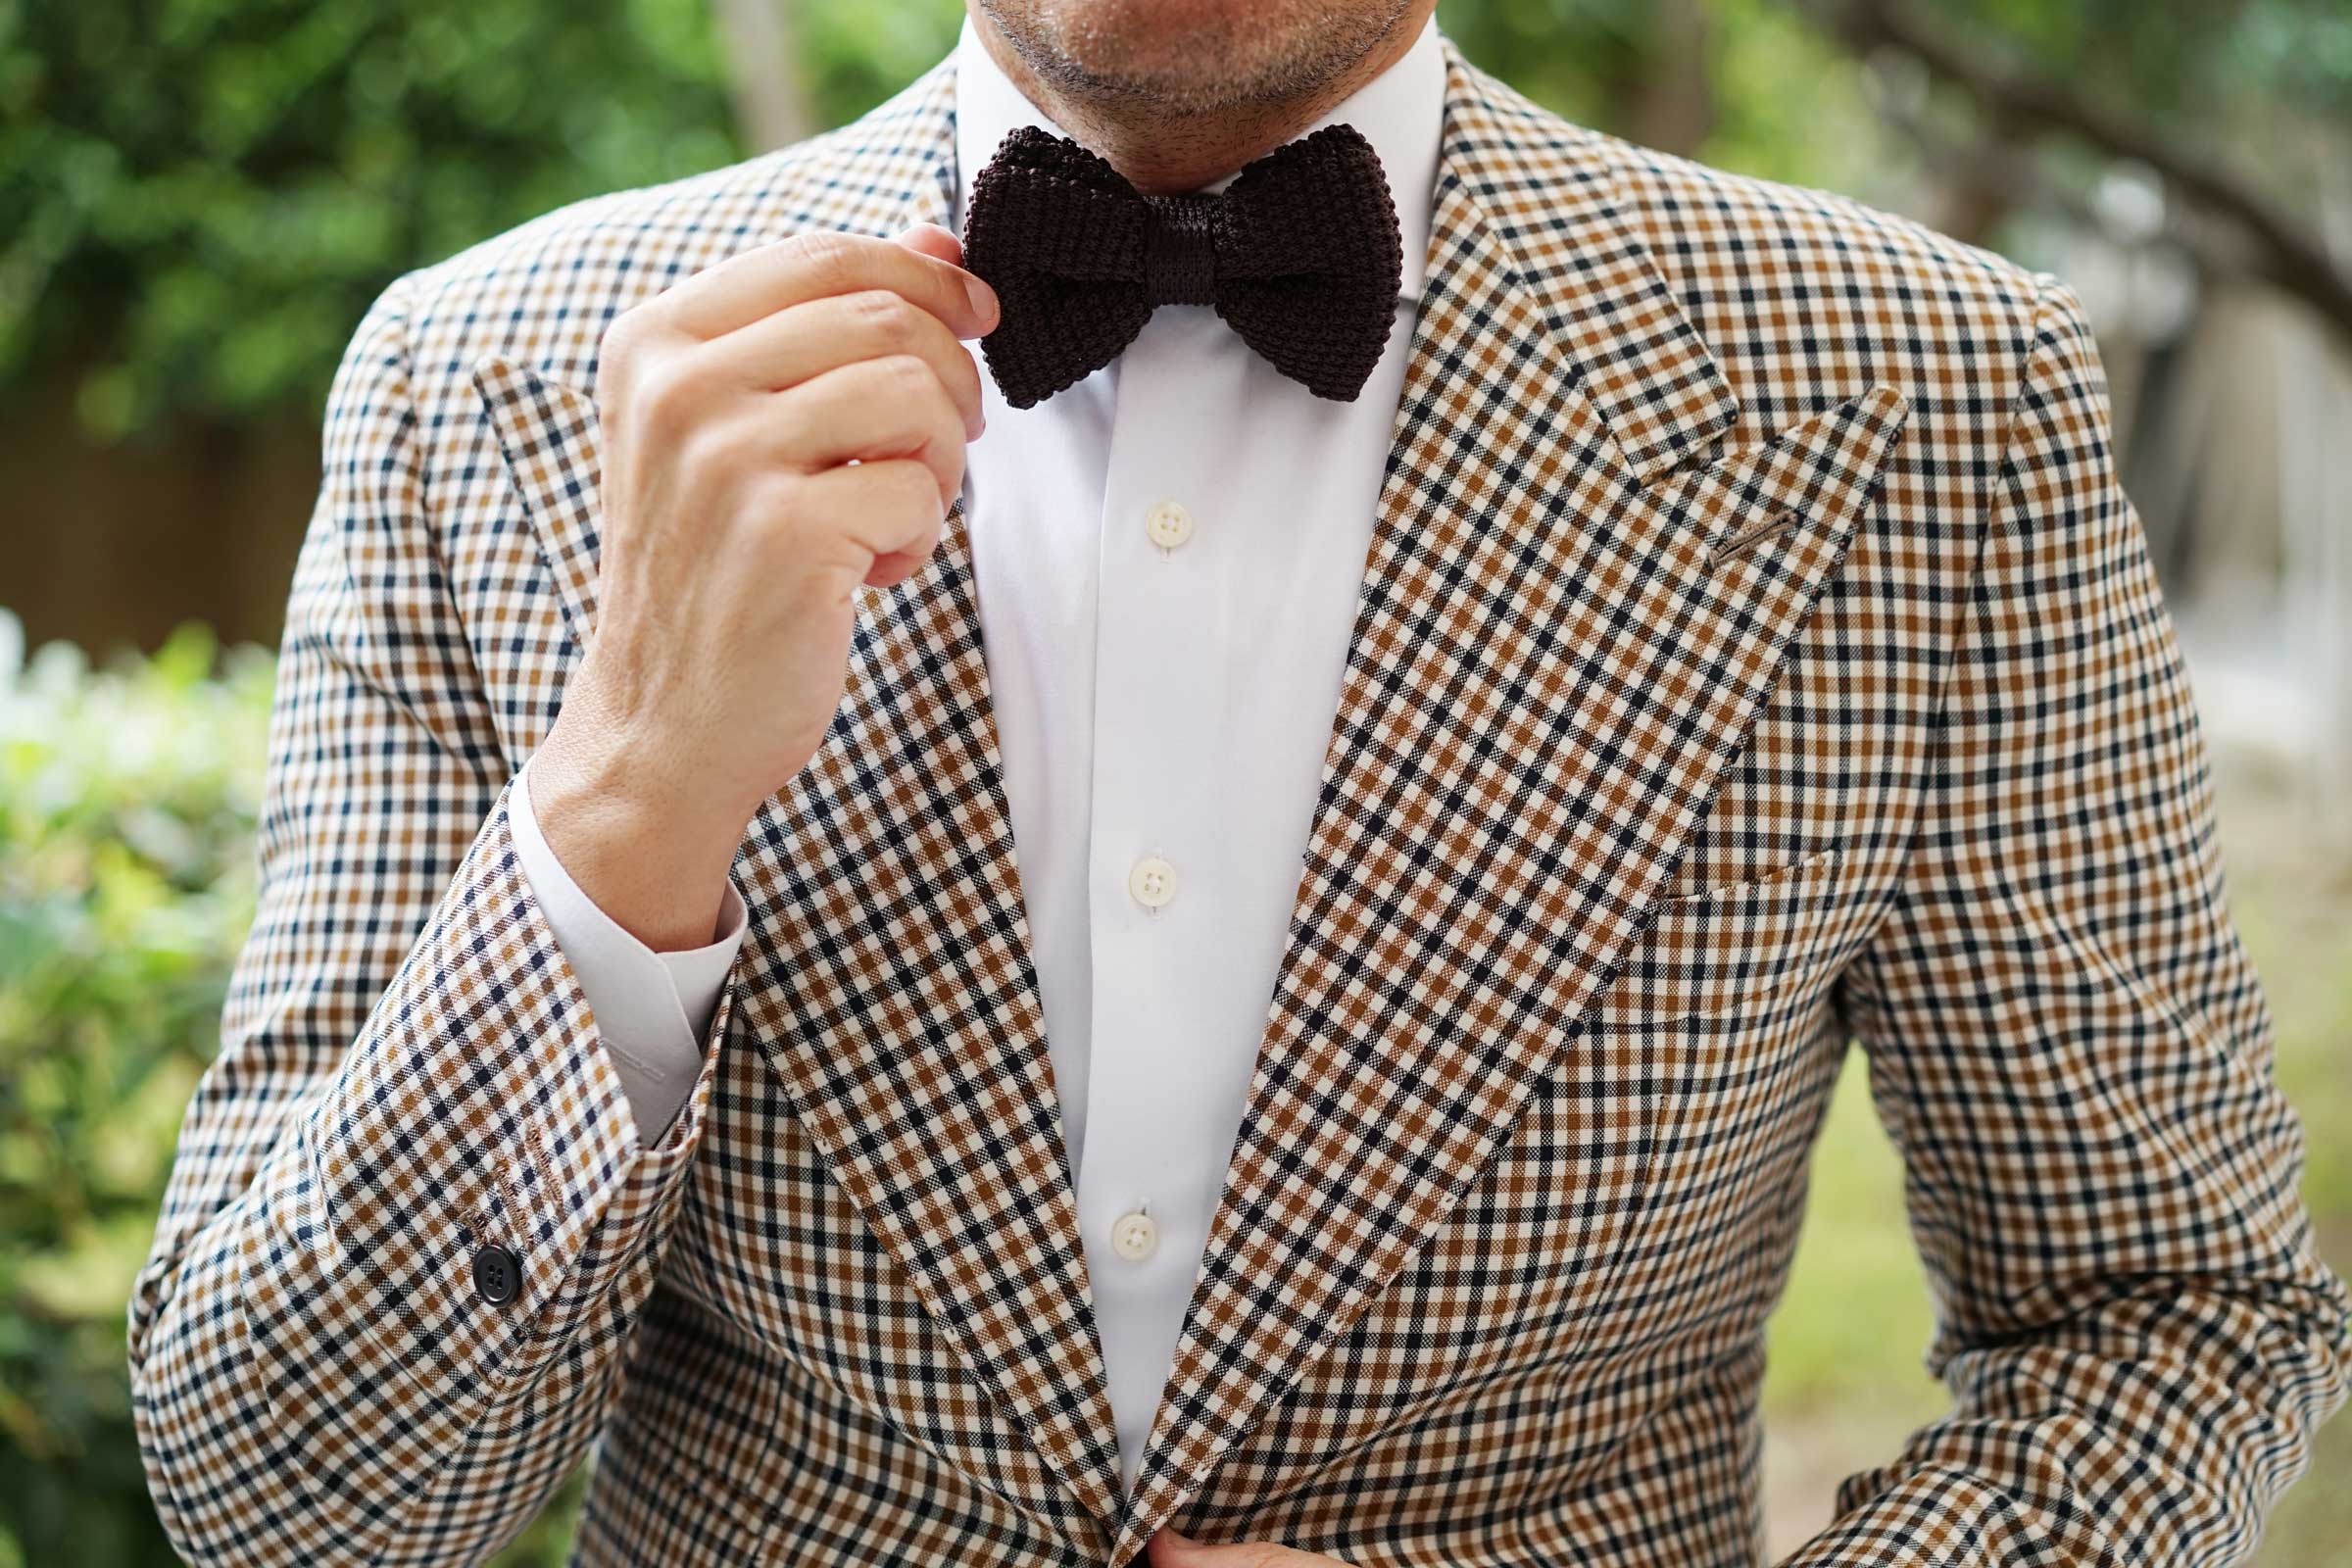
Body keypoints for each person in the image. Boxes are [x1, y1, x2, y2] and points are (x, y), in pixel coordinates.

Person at [128, 1, 2349, 1563]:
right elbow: (293, 1495)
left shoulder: (1925, 404)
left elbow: (2173, 1315)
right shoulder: (481, 386)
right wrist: (624, 798)